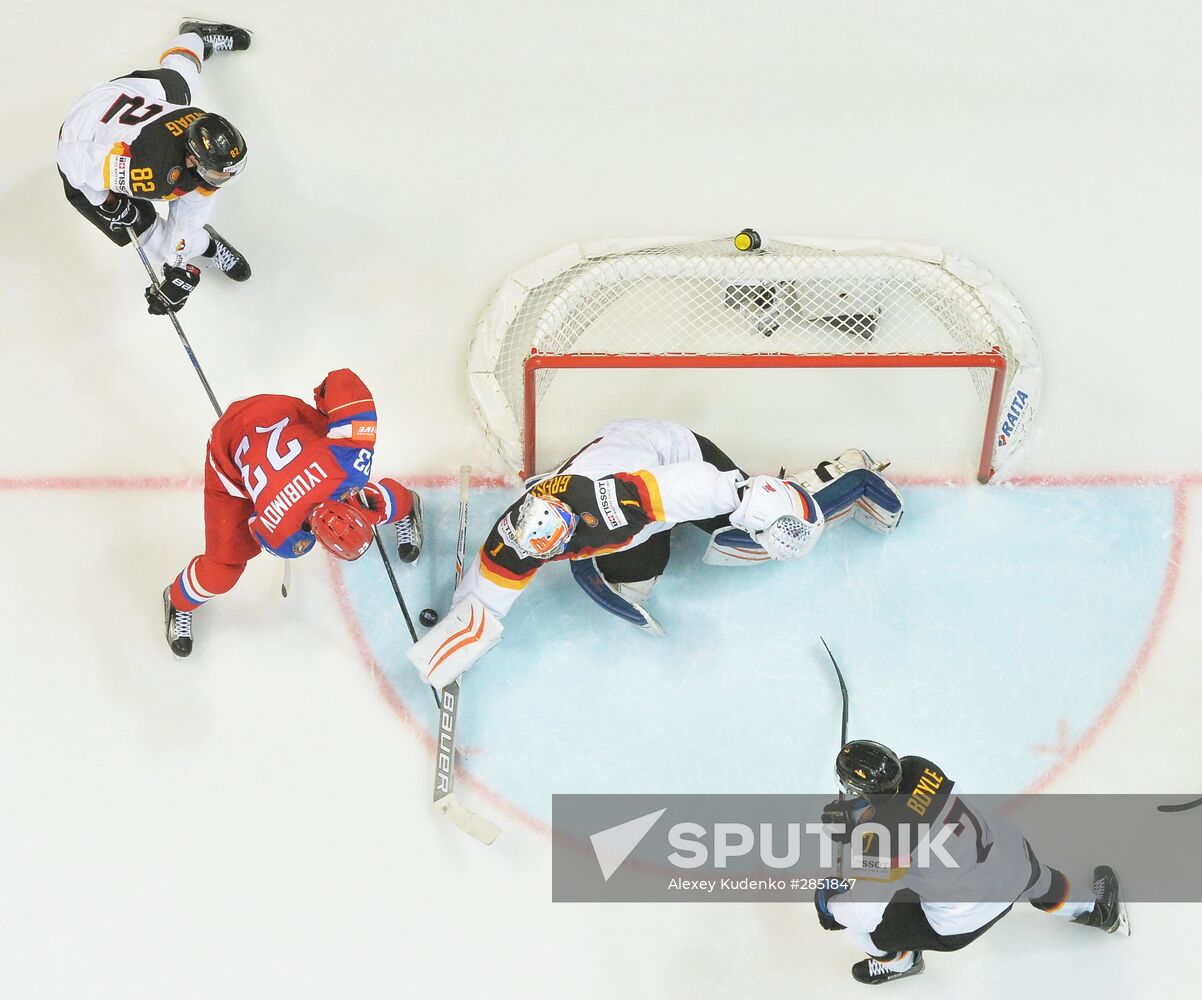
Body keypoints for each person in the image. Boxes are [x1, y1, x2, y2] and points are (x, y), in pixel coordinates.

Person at [407, 417, 903, 688]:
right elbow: (486, 591)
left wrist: (767, 508)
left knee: (753, 544)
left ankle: (845, 475)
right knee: (633, 574)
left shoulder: (618, 506)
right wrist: (459, 632)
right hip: (621, 462)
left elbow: (704, 486)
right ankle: (651, 545)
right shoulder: (517, 534)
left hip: (676, 454)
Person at [813, 740, 1130, 985]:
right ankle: (1094, 910)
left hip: (962, 920)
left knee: (864, 933)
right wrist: (859, 818)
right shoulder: (920, 768)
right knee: (1037, 877)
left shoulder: (881, 843)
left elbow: (863, 912)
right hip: (1011, 860)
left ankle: (902, 963)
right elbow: (907, 809)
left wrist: (830, 905)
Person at [163, 369, 424, 657]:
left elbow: (341, 381)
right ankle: (177, 599)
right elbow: (252, 522)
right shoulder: (283, 536)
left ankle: (408, 506)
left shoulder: (349, 466)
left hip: (274, 410)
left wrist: (321, 405)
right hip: (226, 452)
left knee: (367, 500)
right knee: (223, 569)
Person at [57, 20, 253, 315]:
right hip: (83, 135)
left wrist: (177, 265)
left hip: (128, 96)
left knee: (182, 78)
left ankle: (194, 36)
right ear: (192, 159)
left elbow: (189, 216)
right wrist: (109, 202)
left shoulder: (196, 123)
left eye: (228, 171)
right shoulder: (143, 172)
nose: (221, 179)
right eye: (217, 172)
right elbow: (69, 159)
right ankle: (208, 245)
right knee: (154, 241)